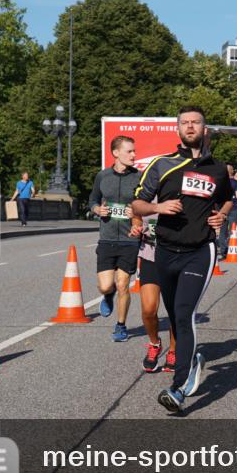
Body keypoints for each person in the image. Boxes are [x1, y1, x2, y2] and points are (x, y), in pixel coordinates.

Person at [132, 106, 232, 413]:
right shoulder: (162, 165)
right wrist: (158, 209)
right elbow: (137, 202)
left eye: (196, 123)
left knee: (185, 313)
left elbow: (229, 197)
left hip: (200, 251)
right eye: (185, 123)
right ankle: (193, 360)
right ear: (178, 129)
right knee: (174, 315)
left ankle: (179, 387)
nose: (190, 127)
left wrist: (221, 216)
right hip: (165, 250)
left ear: (205, 129)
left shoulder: (217, 168)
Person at [88, 136, 142, 342]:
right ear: (116, 153)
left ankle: (121, 326)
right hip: (107, 238)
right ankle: (107, 296)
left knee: (123, 284)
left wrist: (136, 212)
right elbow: (92, 199)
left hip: (130, 239)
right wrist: (96, 209)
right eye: (129, 151)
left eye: (134, 151)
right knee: (105, 285)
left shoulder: (139, 177)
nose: (134, 155)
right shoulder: (103, 176)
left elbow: (147, 202)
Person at [133, 201, 177, 373]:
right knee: (148, 309)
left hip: (176, 257)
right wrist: (137, 226)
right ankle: (154, 343)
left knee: (175, 310)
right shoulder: (147, 191)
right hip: (150, 255)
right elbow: (136, 214)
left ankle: (173, 350)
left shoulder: (180, 189)